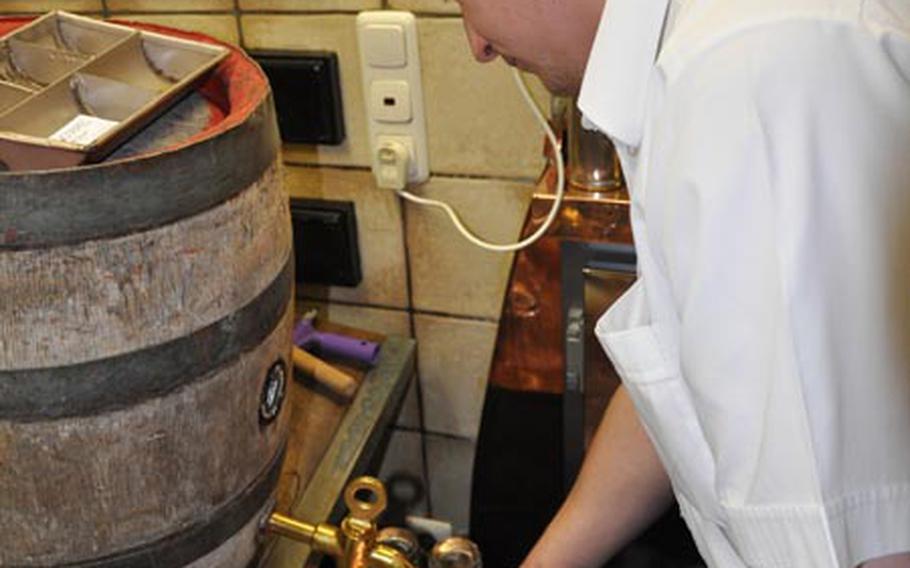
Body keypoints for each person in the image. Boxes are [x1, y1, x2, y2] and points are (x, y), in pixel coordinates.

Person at [456, 0, 910, 566]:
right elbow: (683, 362)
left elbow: (860, 529)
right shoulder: (699, 56)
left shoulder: (744, 74)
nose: (478, 45)